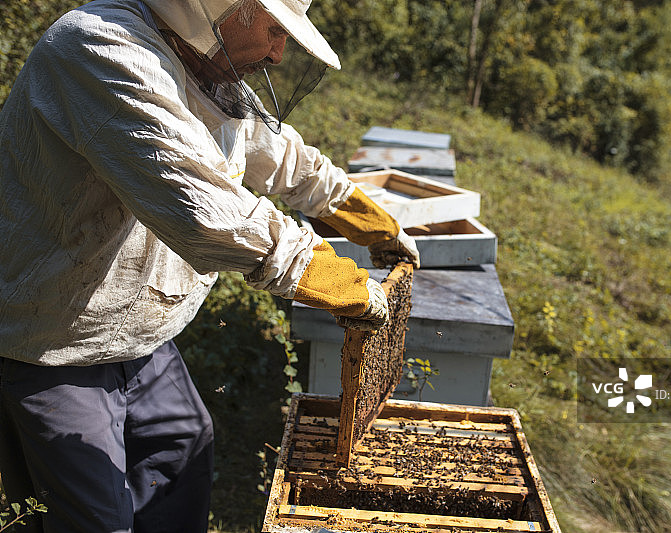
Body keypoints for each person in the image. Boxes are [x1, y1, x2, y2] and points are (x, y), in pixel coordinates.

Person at [0, 0, 420, 531]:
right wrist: (329, 276)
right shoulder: (99, 49)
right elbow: (204, 211)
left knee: (182, 455)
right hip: (53, 345)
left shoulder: (203, 71)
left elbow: (282, 155)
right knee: (92, 518)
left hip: (141, 338)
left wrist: (363, 216)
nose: (279, 51)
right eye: (273, 29)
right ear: (224, 8)